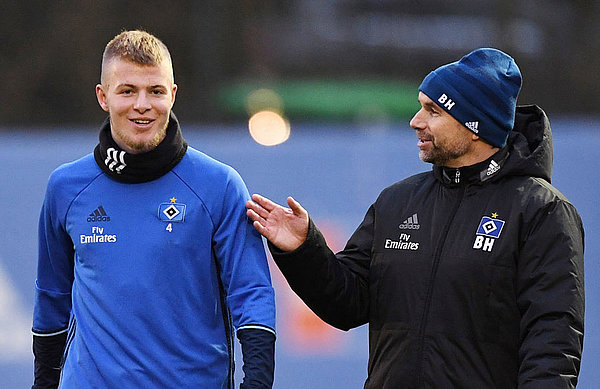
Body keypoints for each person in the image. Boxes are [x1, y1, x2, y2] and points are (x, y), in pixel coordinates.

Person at [246, 48, 585, 388]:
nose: (416, 121)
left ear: (475, 127)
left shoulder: (542, 211)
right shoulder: (397, 201)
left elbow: (552, 345)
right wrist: (304, 249)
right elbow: (346, 305)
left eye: (432, 111)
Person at [32, 30, 276, 389]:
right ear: (103, 97)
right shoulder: (65, 187)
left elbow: (251, 295)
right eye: (127, 90)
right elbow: (51, 297)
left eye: (156, 91)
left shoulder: (219, 185)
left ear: (173, 94)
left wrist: (256, 383)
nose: (142, 104)